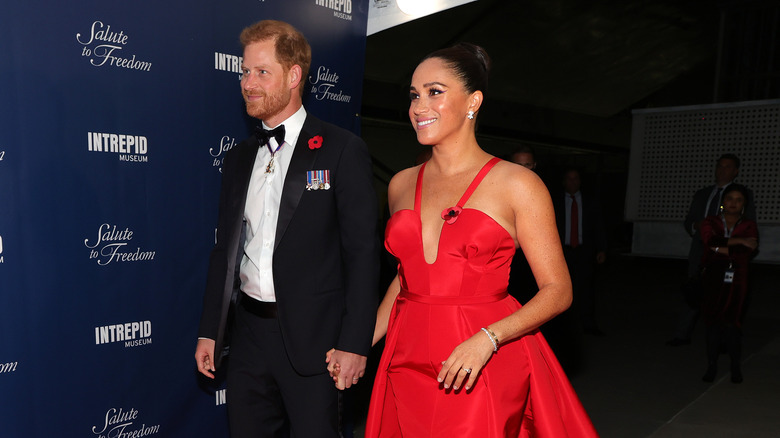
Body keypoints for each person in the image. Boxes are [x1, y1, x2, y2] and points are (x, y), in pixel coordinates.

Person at [345, 42, 596, 437]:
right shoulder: (400, 184)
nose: (418, 106)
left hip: (478, 361)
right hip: (404, 355)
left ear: (472, 101)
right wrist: (358, 342)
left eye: (435, 92)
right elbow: (406, 277)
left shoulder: (518, 184)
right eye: (414, 95)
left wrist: (488, 339)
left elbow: (558, 291)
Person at [194, 20, 379, 438]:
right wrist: (210, 330)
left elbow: (363, 255)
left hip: (318, 344)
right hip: (247, 340)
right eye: (244, 72)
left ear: (294, 76)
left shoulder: (342, 149)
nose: (247, 83)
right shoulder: (239, 158)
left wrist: (354, 343)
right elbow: (225, 253)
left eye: (261, 72)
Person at [667, 153, 755, 346]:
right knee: (693, 291)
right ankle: (682, 335)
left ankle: (723, 339)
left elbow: (748, 224)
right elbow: (689, 220)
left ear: (735, 171)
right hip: (700, 250)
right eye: (719, 166)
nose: (722, 170)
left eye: (727, 167)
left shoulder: (742, 195)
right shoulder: (703, 194)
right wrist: (696, 227)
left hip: (725, 253)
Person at [699, 184, 758, 383]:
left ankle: (735, 365)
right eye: (730, 198)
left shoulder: (749, 224)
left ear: (744, 204)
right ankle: (712, 365)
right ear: (723, 201)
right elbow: (710, 240)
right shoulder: (711, 220)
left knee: (733, 323)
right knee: (713, 322)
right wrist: (739, 241)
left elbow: (746, 252)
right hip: (713, 277)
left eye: (739, 200)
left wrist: (720, 248)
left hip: (738, 279)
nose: (734, 203)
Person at [554, 168, 607, 335]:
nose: (573, 182)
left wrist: (602, 248)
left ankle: (588, 324)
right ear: (564, 182)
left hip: (585, 251)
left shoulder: (590, 201)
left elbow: (599, 226)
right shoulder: (555, 202)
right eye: (569, 179)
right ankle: (562, 327)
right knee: (560, 289)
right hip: (562, 252)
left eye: (575, 178)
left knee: (586, 289)